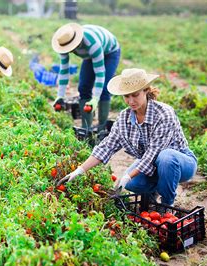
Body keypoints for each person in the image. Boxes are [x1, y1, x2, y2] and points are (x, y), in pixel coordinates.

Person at [58, 68, 197, 206]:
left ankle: (167, 205)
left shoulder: (164, 114)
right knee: (132, 184)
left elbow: (153, 153)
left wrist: (128, 175)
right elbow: (107, 146)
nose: (131, 101)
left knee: (166, 157)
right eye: (126, 96)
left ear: (146, 91)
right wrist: (80, 170)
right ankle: (152, 192)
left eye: (135, 95)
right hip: (151, 164)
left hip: (180, 162)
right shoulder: (124, 117)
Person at [51, 23, 121, 130]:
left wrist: (95, 98)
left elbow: (100, 73)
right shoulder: (64, 44)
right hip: (89, 55)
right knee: (83, 87)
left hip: (110, 52)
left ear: (76, 42)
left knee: (104, 88)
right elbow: (64, 71)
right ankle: (86, 128)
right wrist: (60, 96)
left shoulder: (92, 44)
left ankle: (102, 127)